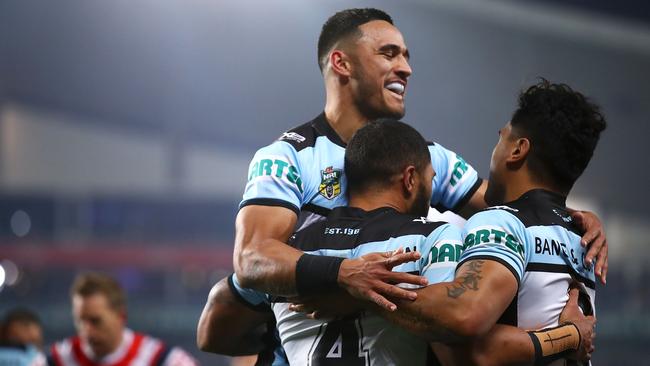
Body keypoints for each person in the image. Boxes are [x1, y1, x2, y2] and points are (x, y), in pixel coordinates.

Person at [233, 7, 608, 315]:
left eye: (407, 57)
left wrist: (571, 216)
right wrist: (345, 274)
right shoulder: (287, 157)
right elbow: (252, 257)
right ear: (341, 63)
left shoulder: (428, 158)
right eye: (389, 53)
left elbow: (513, 205)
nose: (406, 69)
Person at [230, 118, 595, 365]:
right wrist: (569, 336)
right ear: (410, 179)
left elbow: (215, 330)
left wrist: (345, 288)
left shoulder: (289, 254)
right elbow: (461, 353)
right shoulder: (434, 236)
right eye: (431, 180)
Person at [361, 80, 605, 365]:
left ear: (517, 150)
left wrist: (364, 291)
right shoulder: (581, 235)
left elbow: (473, 345)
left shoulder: (499, 221)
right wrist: (570, 337)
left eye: (500, 138)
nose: (495, 149)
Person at [49, 272, 198, 366]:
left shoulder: (162, 359)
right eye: (81, 321)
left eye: (96, 321)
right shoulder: (55, 360)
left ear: (120, 316)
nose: (87, 331)